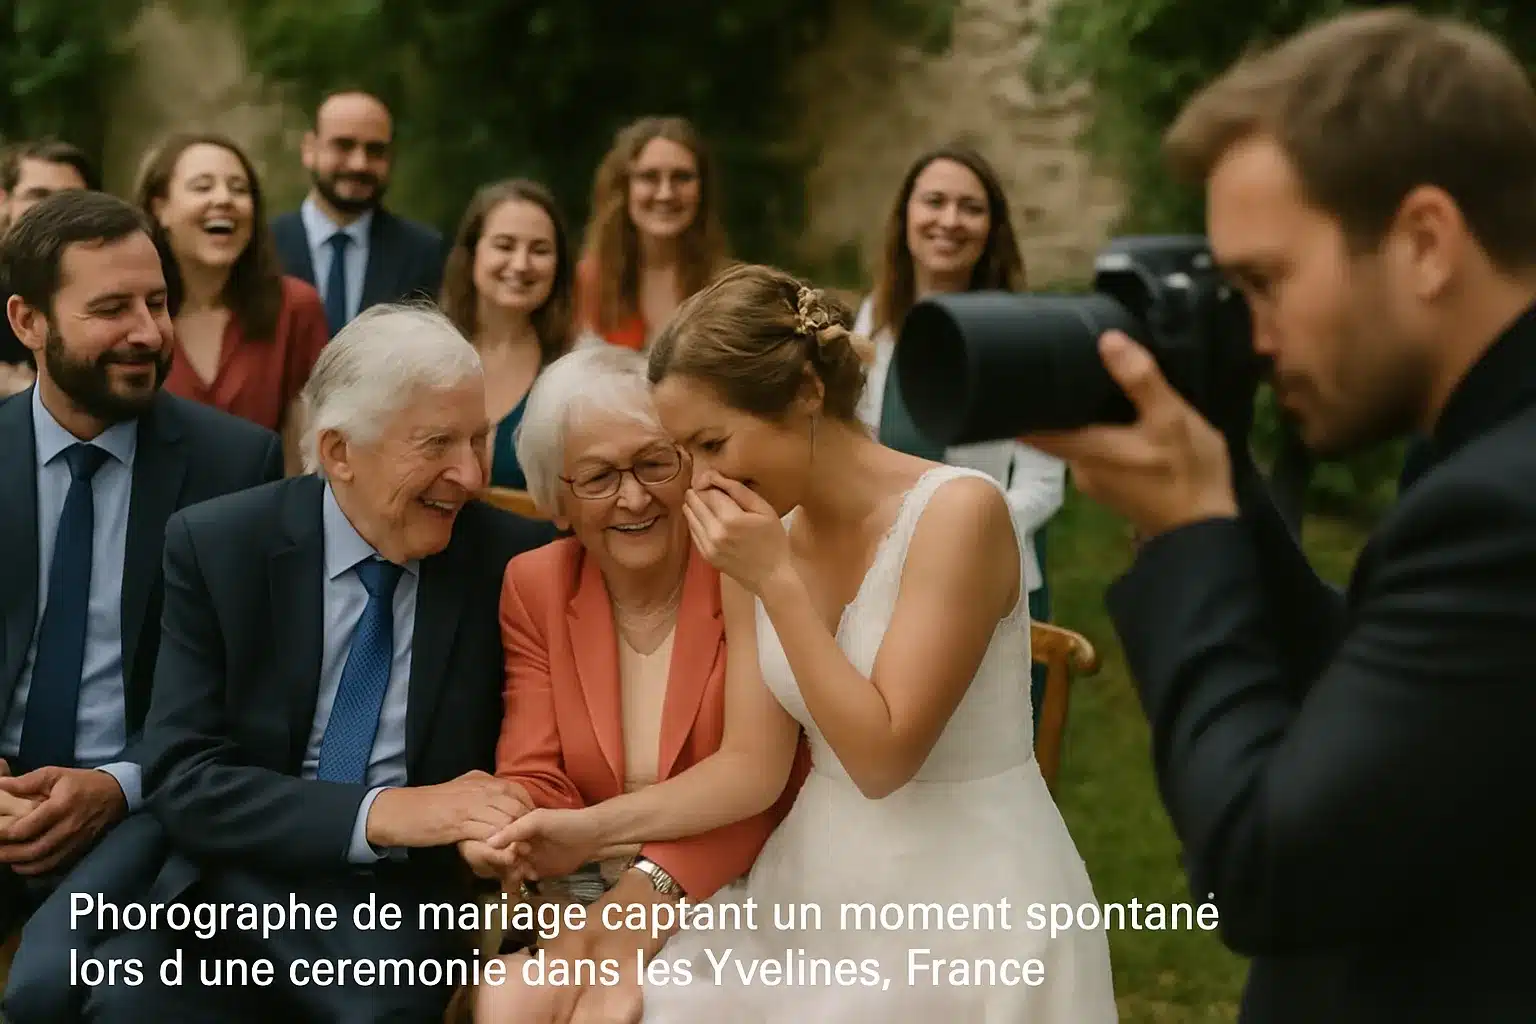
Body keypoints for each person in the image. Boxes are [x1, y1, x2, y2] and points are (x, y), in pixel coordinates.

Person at [1025, 9, 1536, 1022]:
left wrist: (1186, 536)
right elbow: (1389, 692)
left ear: (1425, 242)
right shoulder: (1481, 452)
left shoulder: (1501, 509)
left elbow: (1267, 867)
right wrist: (1227, 497)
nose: (1253, 339)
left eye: (1264, 283)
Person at [494, 264, 1116, 1020]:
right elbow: (752, 769)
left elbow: (883, 757)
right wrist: (588, 831)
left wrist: (780, 584)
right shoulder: (765, 532)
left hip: (965, 896)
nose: (704, 480)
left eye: (715, 442)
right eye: (688, 452)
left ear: (807, 394)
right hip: (814, 881)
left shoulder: (960, 516)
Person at [81, 305, 550, 1022]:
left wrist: (494, 823)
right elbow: (185, 776)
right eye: (437, 444)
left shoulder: (512, 561)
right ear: (338, 453)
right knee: (123, 1001)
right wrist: (385, 811)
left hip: (403, 899)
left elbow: (540, 752)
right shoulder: (220, 546)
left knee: (372, 1006)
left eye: (479, 439)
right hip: (234, 879)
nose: (470, 473)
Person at [0, 190, 281, 1021]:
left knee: (77, 996)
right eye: (112, 308)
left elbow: (252, 698)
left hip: (149, 811)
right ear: (28, 322)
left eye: (158, 303)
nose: (150, 332)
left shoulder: (238, 466)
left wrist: (118, 785)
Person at [464, 344, 805, 1022]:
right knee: (509, 1001)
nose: (635, 496)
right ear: (558, 502)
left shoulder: (742, 568)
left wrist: (645, 889)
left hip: (742, 872)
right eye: (598, 477)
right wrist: (512, 833)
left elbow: (773, 784)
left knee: (630, 1011)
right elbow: (537, 770)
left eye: (655, 463)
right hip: (585, 874)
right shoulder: (534, 584)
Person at [855, 141, 1066, 726]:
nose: (949, 221)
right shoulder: (876, 317)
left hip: (990, 581)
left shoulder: (1019, 335)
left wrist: (958, 535)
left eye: (970, 207)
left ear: (992, 227)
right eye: (935, 202)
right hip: (884, 571)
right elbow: (863, 443)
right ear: (906, 218)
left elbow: (1045, 484)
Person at [136, 132, 328, 466]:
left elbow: (305, 454)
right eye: (202, 186)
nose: (224, 199)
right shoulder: (130, 311)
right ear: (160, 208)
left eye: (239, 189)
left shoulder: (295, 307)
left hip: (257, 513)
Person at [439, 179, 572, 500]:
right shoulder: (423, 358)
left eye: (539, 250)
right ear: (472, 254)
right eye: (505, 245)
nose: (521, 264)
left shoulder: (573, 373)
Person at [272, 89, 445, 335]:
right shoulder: (263, 246)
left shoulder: (424, 253)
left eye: (375, 150)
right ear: (309, 149)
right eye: (344, 145)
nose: (359, 164)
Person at [575, 117, 729, 350]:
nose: (665, 193)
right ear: (623, 188)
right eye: (649, 177)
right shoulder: (586, 283)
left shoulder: (728, 286)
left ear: (702, 190)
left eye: (682, 177)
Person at [0, 139, 99, 395]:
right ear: (3, 201)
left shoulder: (109, 284)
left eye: (69, 200)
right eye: (37, 196)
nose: (52, 212)